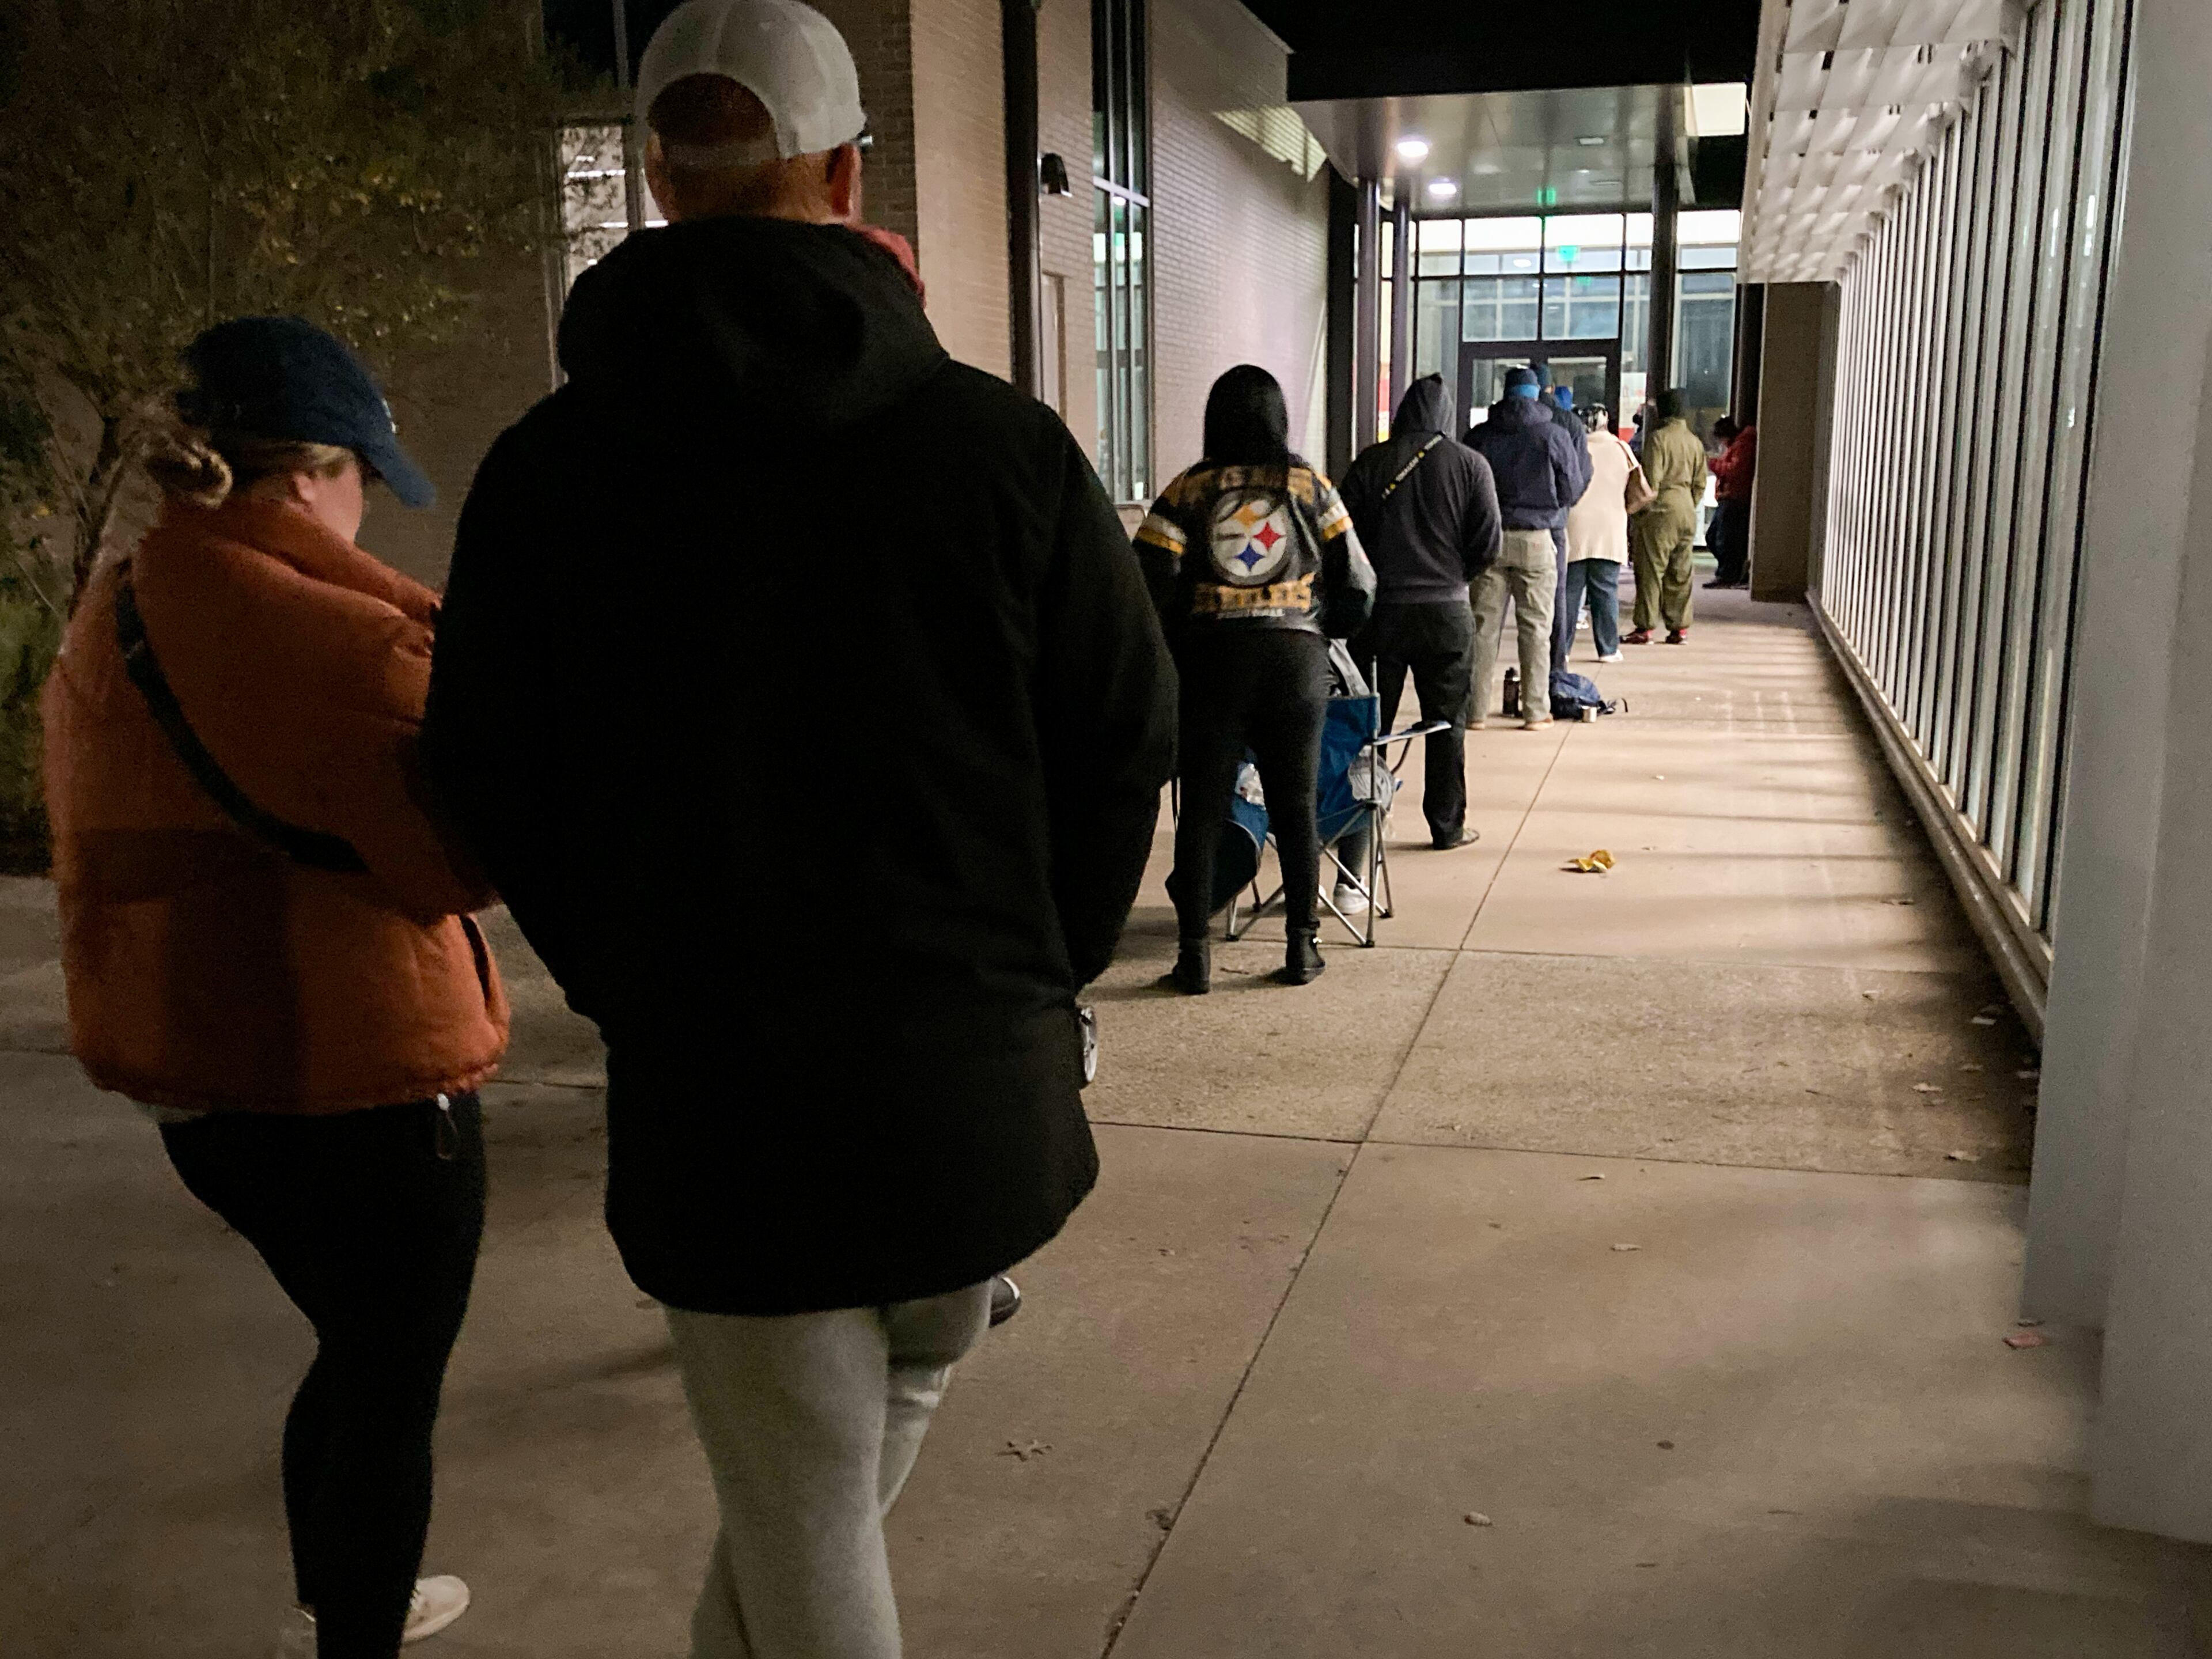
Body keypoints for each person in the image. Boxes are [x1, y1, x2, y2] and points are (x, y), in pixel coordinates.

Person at [420, 3, 1178, 1653]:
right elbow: (1128, 740)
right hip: (970, 1085)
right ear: (846, 174)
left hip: (729, 1099)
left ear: (657, 180)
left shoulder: (549, 477)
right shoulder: (1007, 453)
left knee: (803, 1512)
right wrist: (1024, 970)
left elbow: (481, 765)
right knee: (833, 1477)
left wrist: (626, 973)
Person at [41, 316, 509, 1659]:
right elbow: (455, 863)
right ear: (308, 473)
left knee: (354, 1349)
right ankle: (358, 1619)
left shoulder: (125, 592)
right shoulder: (331, 644)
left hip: (192, 1070)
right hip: (349, 1078)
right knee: (387, 1376)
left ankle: (343, 1593)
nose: (369, 507)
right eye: (365, 473)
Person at [1137, 365, 1376, 993]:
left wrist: (1179, 641)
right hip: (1295, 662)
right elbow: (1359, 583)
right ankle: (1301, 947)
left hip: (1212, 663)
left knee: (1201, 813)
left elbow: (1148, 579)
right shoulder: (1307, 485)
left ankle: (1194, 957)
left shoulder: (1187, 491)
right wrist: (1323, 626)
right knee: (1296, 807)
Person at [1339, 373, 1501, 852]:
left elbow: (1343, 540)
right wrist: (1455, 578)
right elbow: (1488, 543)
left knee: (1369, 726)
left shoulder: (1370, 463)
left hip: (1380, 616)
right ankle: (1447, 827)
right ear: (1447, 417)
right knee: (1446, 723)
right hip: (1447, 615)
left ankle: (1359, 828)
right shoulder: (1472, 466)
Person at [1464, 365, 1587, 728]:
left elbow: (1468, 488)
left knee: (1483, 627)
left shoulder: (1480, 436)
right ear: (1538, 394)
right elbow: (1573, 487)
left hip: (1490, 539)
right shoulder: (1554, 434)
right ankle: (1535, 711)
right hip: (1537, 538)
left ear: (1505, 393)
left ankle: (1475, 713)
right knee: (1536, 626)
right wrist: (1551, 506)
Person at [1626, 388, 1710, 645]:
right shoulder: (1695, 442)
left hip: (1662, 511)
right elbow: (1700, 483)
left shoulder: (1658, 439)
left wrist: (1639, 513)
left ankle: (1645, 627)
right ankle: (1679, 628)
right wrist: (1687, 502)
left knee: (1652, 569)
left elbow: (1651, 481)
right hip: (1686, 508)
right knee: (1681, 571)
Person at [1563, 403, 1646, 664]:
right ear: (1605, 421)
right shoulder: (1621, 449)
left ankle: (1562, 650)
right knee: (1606, 592)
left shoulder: (1571, 447)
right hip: (1609, 529)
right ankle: (1608, 649)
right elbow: (1638, 487)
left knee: (1569, 594)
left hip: (1573, 528)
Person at [1706, 414, 1758, 588]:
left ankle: (1727, 575)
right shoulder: (1738, 445)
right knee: (1716, 537)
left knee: (1723, 540)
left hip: (1733, 498)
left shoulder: (1743, 446)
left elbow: (1734, 470)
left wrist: (1713, 464)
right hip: (1728, 497)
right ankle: (1727, 573)